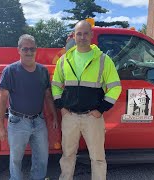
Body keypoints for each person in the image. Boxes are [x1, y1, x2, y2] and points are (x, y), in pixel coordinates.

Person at [52, 20, 122, 180]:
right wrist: (61, 107)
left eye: (85, 33)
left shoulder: (103, 60)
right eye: (79, 33)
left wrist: (101, 109)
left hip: (93, 117)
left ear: (91, 35)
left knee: (97, 157)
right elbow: (55, 85)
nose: (82, 37)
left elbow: (115, 87)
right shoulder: (64, 60)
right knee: (67, 155)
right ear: (74, 36)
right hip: (70, 116)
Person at [0, 34, 58, 180]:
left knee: (42, 158)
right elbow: (2, 98)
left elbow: (48, 96)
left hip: (39, 120)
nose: (29, 52)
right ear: (18, 50)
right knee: (16, 159)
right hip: (18, 121)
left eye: (32, 49)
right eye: (25, 49)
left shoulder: (42, 71)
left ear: (36, 50)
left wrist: (54, 116)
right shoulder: (10, 71)